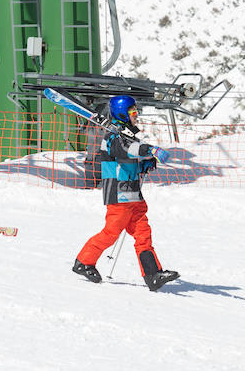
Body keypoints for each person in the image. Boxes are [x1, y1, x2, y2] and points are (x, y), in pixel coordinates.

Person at [72, 94, 179, 291]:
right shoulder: (112, 137)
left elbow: (127, 162)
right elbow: (127, 150)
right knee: (111, 233)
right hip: (118, 195)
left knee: (143, 234)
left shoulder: (126, 135)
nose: (136, 116)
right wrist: (151, 150)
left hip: (133, 195)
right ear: (122, 113)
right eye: (133, 112)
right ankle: (83, 261)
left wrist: (144, 165)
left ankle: (153, 274)